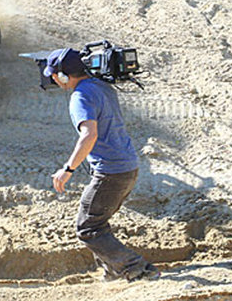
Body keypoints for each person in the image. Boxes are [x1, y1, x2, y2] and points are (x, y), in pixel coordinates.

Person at [46, 47, 160, 282]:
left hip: (111, 173)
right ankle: (114, 271)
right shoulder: (101, 86)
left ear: (65, 76)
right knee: (97, 223)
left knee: (88, 228)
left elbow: (89, 135)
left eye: (54, 75)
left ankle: (138, 269)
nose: (53, 79)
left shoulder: (81, 96)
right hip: (128, 168)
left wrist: (68, 170)